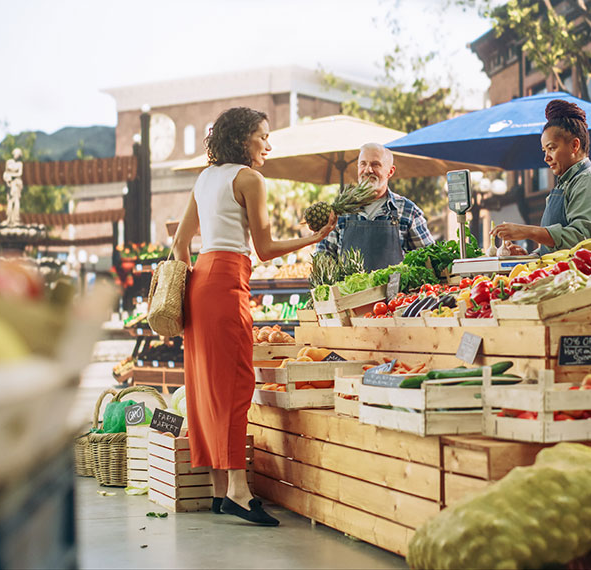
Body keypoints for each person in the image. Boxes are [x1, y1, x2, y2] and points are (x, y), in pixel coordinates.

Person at [172, 107, 335, 526]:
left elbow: (179, 244)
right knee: (237, 382)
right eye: (264, 135)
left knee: (205, 385)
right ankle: (242, 494)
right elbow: (263, 248)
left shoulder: (206, 178)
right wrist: (313, 238)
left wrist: (195, 279)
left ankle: (218, 491)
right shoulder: (249, 179)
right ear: (245, 138)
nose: (268, 143)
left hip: (201, 281)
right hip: (226, 279)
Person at [491, 99, 591, 255]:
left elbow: (588, 241)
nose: (546, 158)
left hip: (583, 277)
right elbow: (559, 249)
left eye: (551, 148)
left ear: (574, 145)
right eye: (544, 150)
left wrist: (529, 232)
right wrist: (530, 256)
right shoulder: (566, 184)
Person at [315, 143, 435, 270]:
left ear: (390, 171)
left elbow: (429, 260)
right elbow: (323, 260)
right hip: (349, 290)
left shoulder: (408, 211)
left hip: (395, 290)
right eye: (363, 164)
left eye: (375, 164)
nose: (368, 170)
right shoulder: (340, 212)